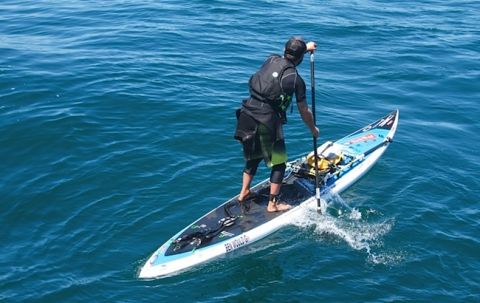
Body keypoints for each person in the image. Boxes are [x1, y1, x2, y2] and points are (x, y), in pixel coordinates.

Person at [234, 37, 319, 212]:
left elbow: (288, 57)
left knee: (253, 157)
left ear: (284, 50)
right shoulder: (296, 80)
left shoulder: (271, 59)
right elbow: (304, 111)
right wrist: (313, 129)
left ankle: (244, 193)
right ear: (301, 58)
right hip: (267, 121)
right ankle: (272, 205)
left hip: (246, 114)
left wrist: (305, 48)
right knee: (279, 164)